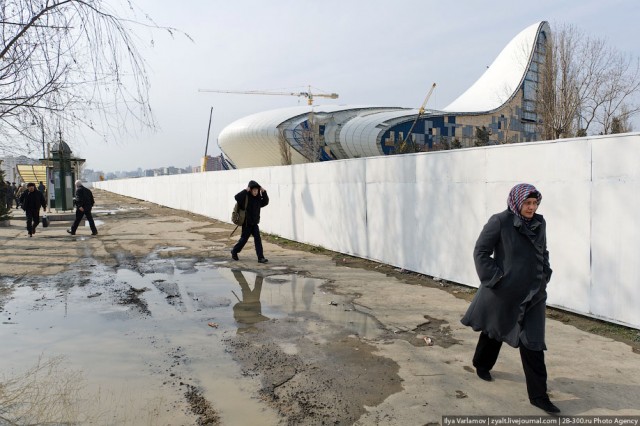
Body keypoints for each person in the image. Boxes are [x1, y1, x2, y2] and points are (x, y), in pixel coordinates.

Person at [461, 183, 559, 415]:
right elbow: (480, 252)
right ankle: (482, 364)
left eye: (535, 203)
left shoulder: (540, 223)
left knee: (532, 342)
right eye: (527, 203)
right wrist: (496, 279)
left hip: (534, 294)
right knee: (496, 329)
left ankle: (538, 396)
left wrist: (545, 272)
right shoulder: (500, 221)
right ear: (517, 201)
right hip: (504, 291)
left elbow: (543, 250)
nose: (532, 208)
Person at [231, 180, 269, 263]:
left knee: (258, 240)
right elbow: (236, 197)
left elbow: (265, 202)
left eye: (257, 190)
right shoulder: (245, 198)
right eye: (254, 190)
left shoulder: (258, 199)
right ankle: (234, 251)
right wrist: (245, 190)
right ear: (250, 190)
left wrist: (264, 192)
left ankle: (260, 258)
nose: (255, 192)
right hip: (247, 224)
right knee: (243, 240)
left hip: (255, 224)